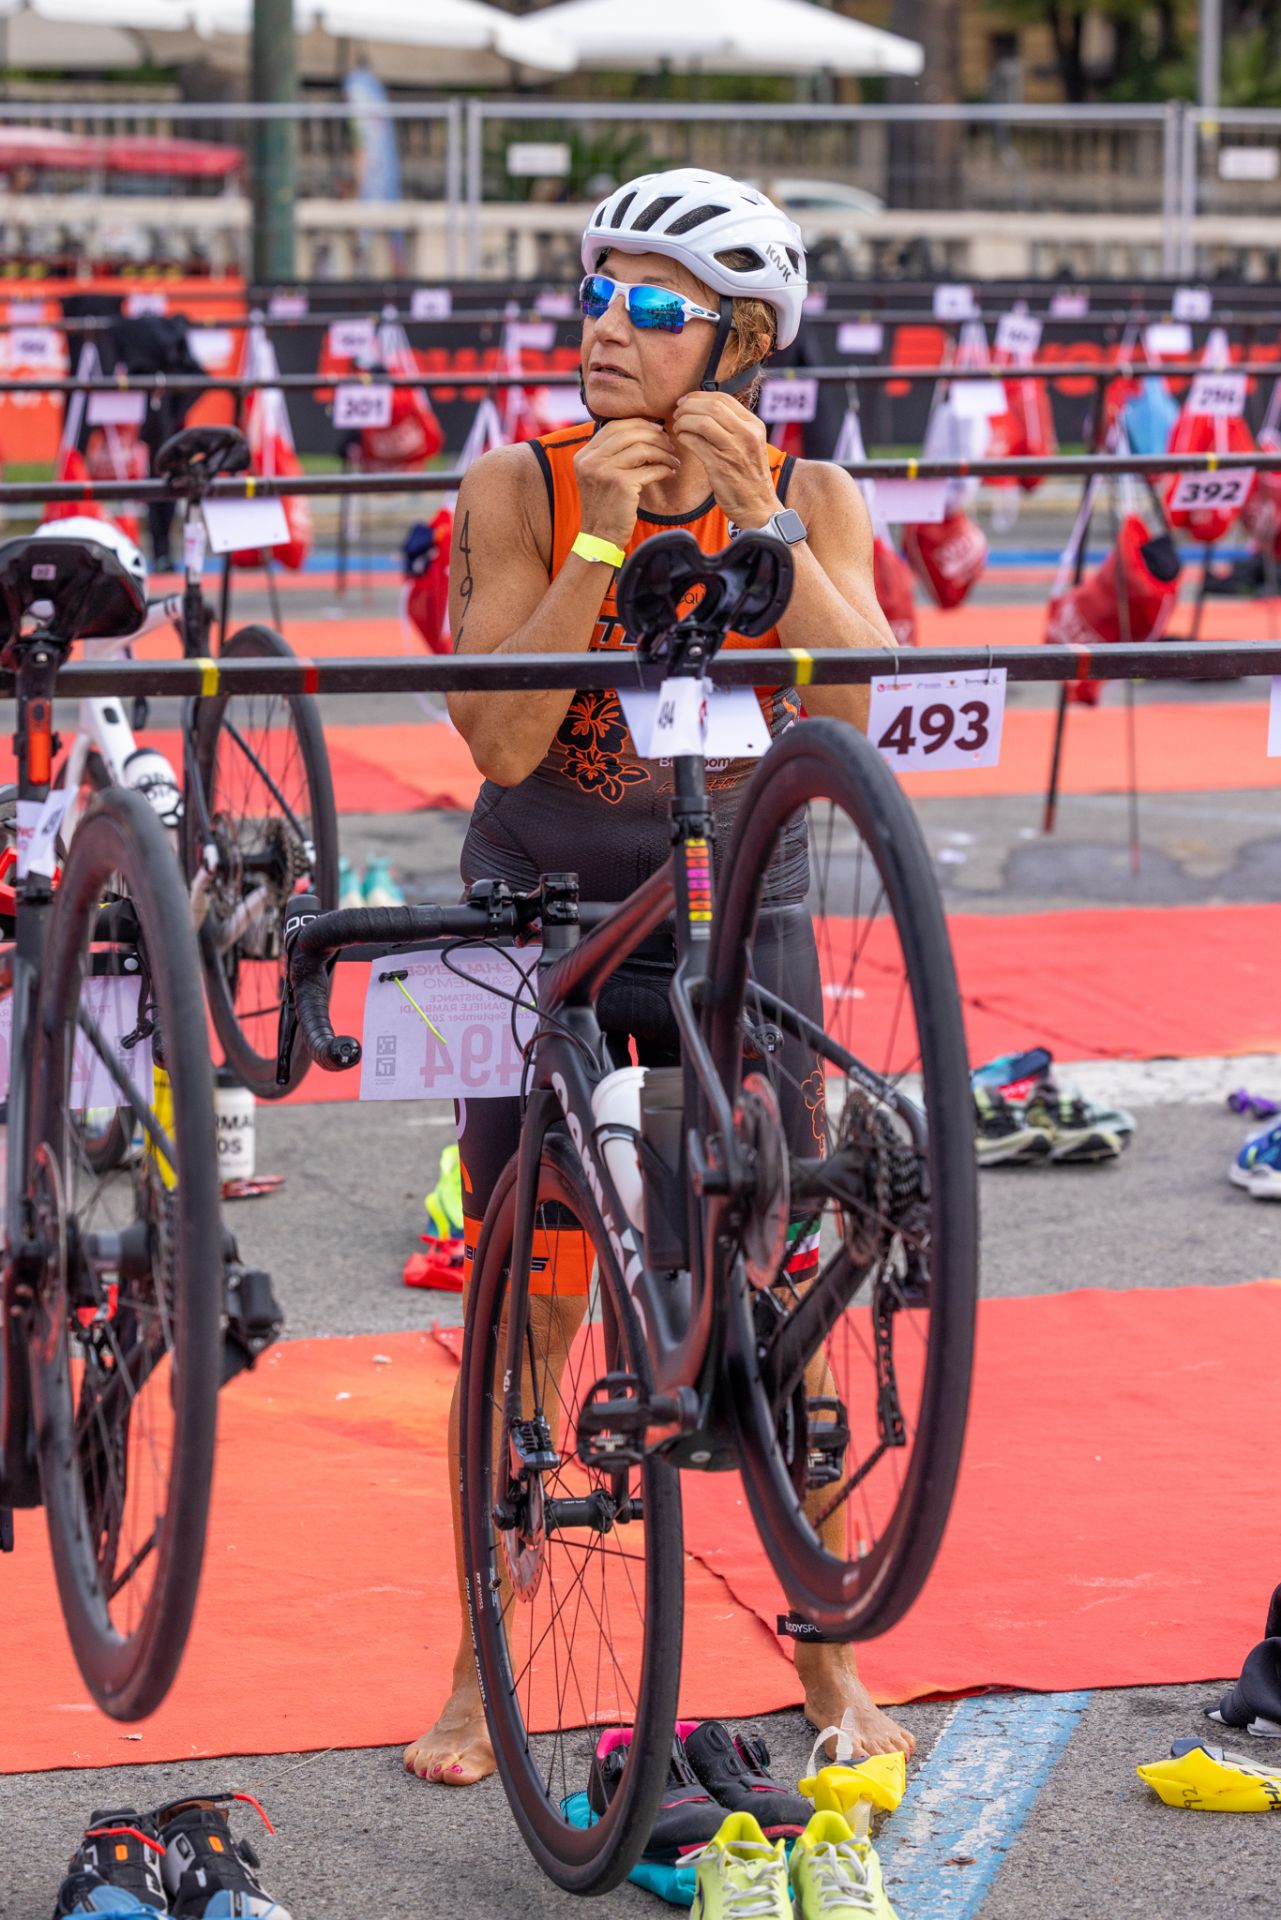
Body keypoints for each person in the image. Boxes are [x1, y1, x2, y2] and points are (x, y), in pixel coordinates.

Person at [402, 169, 911, 1790]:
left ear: (740, 341)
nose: (604, 330)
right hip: (534, 908)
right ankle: (480, 1670)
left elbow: (867, 713)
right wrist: (601, 542)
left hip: (731, 906)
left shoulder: (814, 492)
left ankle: (829, 1664)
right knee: (530, 1304)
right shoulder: (517, 480)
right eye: (595, 296)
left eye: (648, 306)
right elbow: (498, 741)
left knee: (778, 1283)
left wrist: (762, 526)